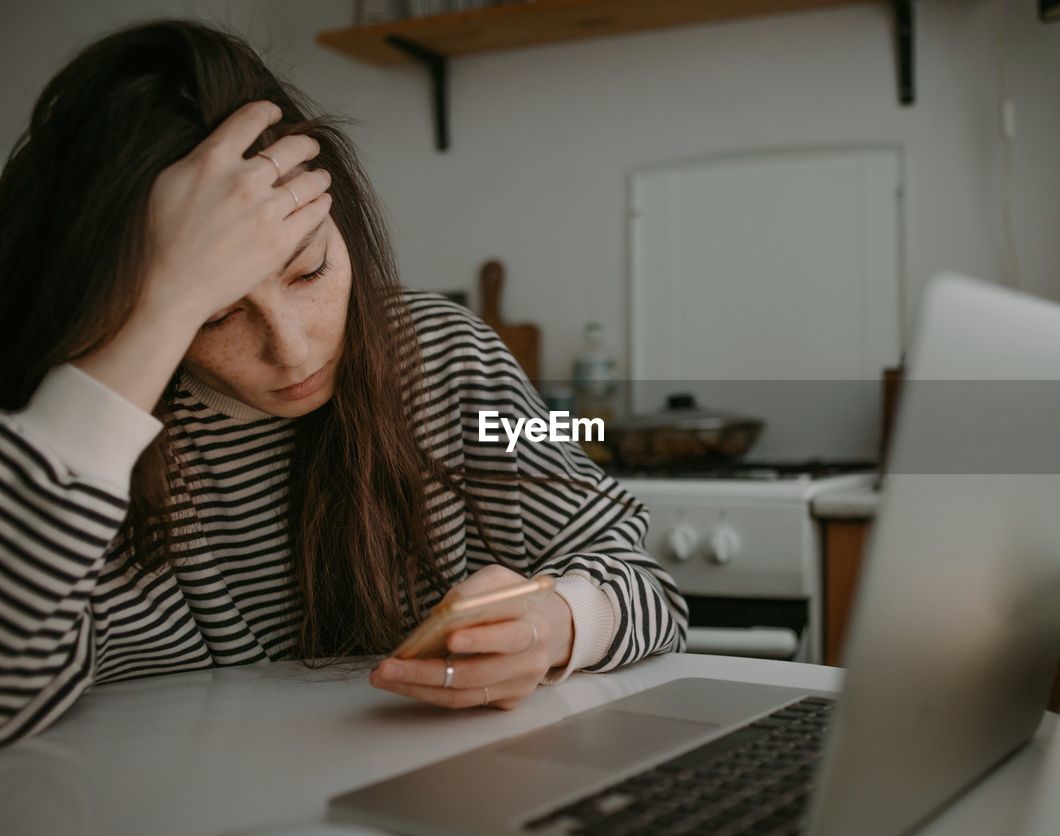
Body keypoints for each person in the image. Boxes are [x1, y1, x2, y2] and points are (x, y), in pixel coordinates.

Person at [0, 19, 687, 747]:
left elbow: (650, 589)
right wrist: (154, 317)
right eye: (217, 312)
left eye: (310, 270)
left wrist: (559, 623)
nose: (293, 350)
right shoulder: (60, 434)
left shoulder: (452, 356)